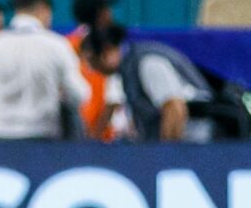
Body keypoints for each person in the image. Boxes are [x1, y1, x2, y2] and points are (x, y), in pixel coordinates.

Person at [0, 0, 90, 140]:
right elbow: (80, 94)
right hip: (43, 137)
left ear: (17, 11)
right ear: (45, 11)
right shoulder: (58, 46)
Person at [81, 24, 250, 141]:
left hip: (200, 139)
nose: (92, 68)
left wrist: (166, 155)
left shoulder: (147, 63)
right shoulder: (128, 69)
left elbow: (175, 107)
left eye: (92, 61)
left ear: (106, 52)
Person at [67, 0, 124, 141]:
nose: (110, 14)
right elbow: (113, 97)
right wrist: (95, 139)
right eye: (107, 9)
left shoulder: (64, 44)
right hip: (99, 139)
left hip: (74, 137)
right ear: (100, 14)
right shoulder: (108, 47)